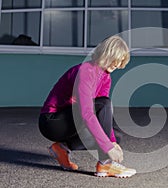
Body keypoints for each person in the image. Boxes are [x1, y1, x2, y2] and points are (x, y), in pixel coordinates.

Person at [38, 36, 136, 178]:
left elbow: (102, 112)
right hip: (52, 121)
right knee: (105, 108)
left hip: (71, 119)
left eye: (121, 61)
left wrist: (113, 142)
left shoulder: (105, 76)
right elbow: (87, 113)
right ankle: (105, 163)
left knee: (116, 136)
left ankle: (62, 148)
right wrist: (108, 148)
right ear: (106, 53)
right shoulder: (86, 71)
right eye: (116, 59)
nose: (118, 64)